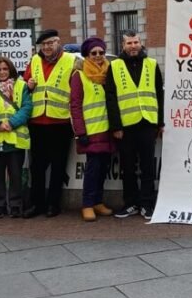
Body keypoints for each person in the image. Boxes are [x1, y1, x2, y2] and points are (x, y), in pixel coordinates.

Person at [106, 29, 164, 220]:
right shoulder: (114, 66)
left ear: (141, 43)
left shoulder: (152, 64)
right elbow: (111, 98)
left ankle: (147, 204)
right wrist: (116, 126)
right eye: (129, 43)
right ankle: (130, 203)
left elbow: (159, 94)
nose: (133, 46)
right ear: (123, 45)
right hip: (126, 126)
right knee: (128, 168)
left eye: (136, 42)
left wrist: (160, 122)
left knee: (148, 167)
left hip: (147, 123)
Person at [22, 29, 76, 218]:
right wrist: (27, 86)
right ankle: (37, 204)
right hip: (37, 121)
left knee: (58, 165)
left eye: (50, 43)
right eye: (43, 44)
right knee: (37, 166)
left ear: (58, 42)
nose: (46, 47)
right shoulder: (34, 61)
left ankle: (54, 204)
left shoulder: (71, 60)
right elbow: (24, 85)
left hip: (60, 120)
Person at [0, 56, 32, 218]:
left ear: (11, 70)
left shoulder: (21, 85)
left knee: (16, 175)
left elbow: (27, 107)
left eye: (5, 69)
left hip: (15, 139)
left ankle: (15, 206)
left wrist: (12, 123)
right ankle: (0, 206)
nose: (2, 72)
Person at [69, 37, 115, 222]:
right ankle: (87, 204)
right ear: (86, 55)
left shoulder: (109, 73)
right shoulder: (79, 75)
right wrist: (80, 132)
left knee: (103, 168)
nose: (98, 56)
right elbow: (75, 106)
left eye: (101, 52)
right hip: (91, 132)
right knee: (92, 169)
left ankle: (97, 201)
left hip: (107, 130)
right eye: (93, 53)